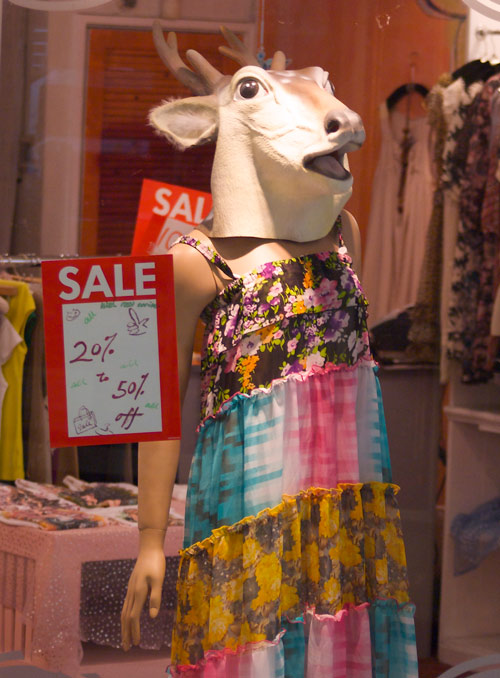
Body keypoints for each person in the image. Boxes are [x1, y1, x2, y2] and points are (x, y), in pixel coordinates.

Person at [121, 27, 417, 678]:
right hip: (250, 501)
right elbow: (160, 404)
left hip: (344, 501)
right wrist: (150, 540)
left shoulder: (343, 234)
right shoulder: (194, 261)